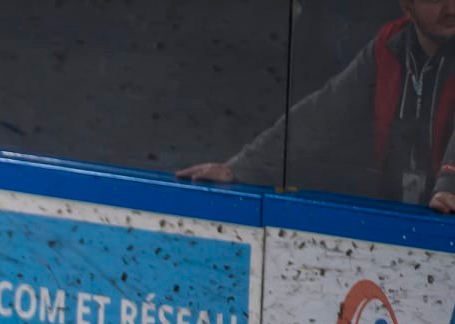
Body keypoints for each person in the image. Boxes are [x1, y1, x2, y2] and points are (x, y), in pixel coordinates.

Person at [178, 0, 455, 212]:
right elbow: (320, 115)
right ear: (407, 6)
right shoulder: (389, 47)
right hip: (403, 214)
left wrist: (449, 186)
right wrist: (240, 168)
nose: (451, 8)